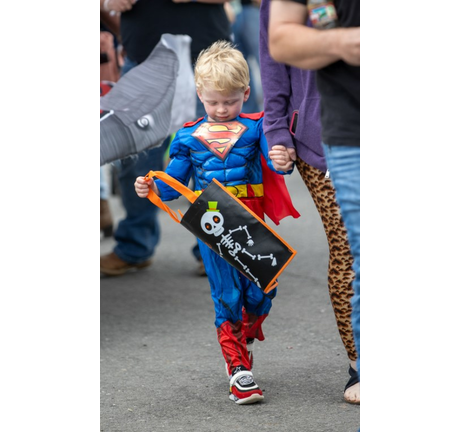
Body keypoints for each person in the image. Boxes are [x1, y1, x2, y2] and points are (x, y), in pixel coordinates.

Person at [134, 41, 298, 404]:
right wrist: (150, 185)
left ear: (246, 93)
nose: (222, 109)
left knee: (261, 293)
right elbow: (173, 181)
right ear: (199, 94)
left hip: (253, 221)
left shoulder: (257, 128)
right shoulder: (188, 137)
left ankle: (243, 335)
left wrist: (281, 156)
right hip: (211, 223)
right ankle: (239, 370)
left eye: (230, 101)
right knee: (226, 295)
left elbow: (275, 165)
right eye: (213, 102)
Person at [259, 0, 359, 403]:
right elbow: (274, 53)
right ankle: (361, 363)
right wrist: (278, 130)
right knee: (351, 251)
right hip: (324, 137)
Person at [100, 0, 233, 276]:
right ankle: (135, 246)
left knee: (213, 163)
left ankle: (216, 250)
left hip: (206, 61)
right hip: (142, 57)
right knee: (134, 161)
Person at [229, 0, 263, 113]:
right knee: (238, 67)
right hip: (230, 11)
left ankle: (277, 108)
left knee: (265, 59)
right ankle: (251, 114)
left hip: (250, 8)